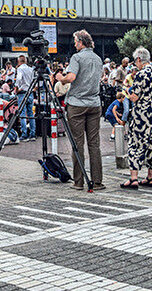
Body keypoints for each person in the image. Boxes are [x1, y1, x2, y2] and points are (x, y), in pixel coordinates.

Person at [56, 30, 104, 190]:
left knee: (78, 143)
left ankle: (79, 181)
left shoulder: (76, 57)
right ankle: (97, 181)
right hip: (94, 103)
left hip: (77, 104)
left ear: (81, 42)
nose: (75, 44)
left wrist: (60, 79)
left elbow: (71, 78)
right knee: (94, 144)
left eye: (76, 41)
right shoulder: (98, 59)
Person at [120, 47, 152, 189]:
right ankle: (151, 177)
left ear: (139, 59)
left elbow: (134, 97)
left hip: (142, 114)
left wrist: (126, 89)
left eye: (135, 61)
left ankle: (133, 178)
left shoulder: (140, 74)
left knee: (136, 144)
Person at [14, 55, 35, 141]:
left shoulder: (20, 69)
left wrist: (16, 88)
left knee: (22, 114)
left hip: (22, 93)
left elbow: (18, 79)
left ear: (19, 61)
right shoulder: (31, 69)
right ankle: (33, 134)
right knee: (31, 114)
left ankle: (24, 134)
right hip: (30, 92)